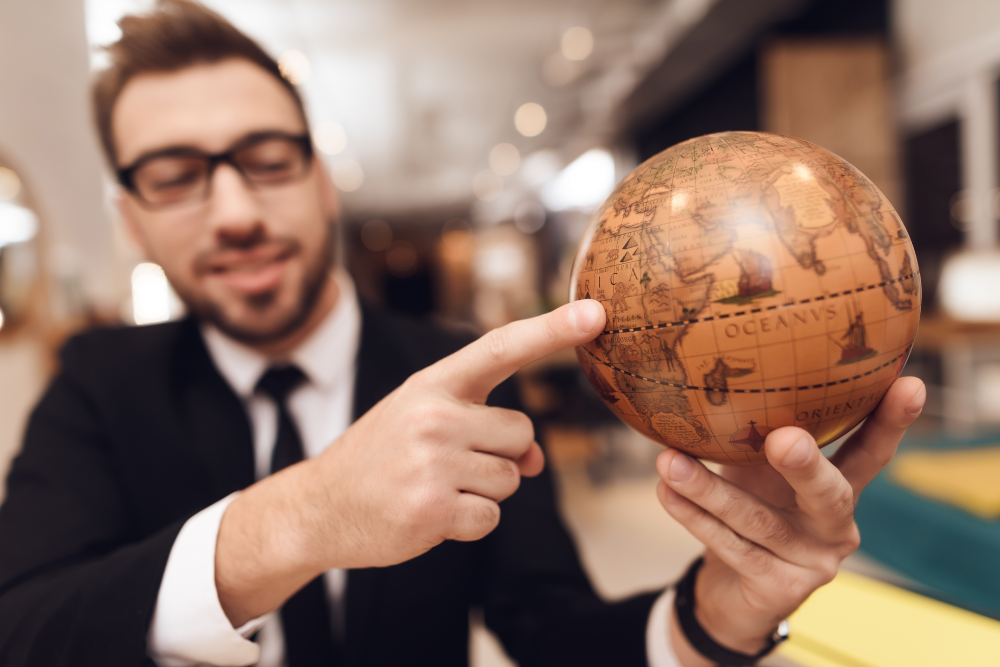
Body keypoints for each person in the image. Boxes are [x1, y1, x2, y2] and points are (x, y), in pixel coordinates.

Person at [0, 2, 926, 666]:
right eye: (175, 175)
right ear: (129, 219)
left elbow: (555, 634)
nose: (235, 209)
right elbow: (23, 624)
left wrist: (717, 614)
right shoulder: (97, 383)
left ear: (322, 180)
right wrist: (305, 514)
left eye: (266, 159)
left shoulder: (458, 378)